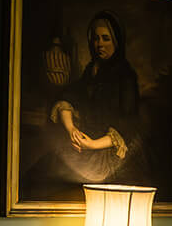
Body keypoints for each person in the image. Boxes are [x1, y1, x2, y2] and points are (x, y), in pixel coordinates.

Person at [47, 11, 143, 184]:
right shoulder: (91, 69)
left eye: (106, 38)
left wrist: (91, 144)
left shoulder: (126, 75)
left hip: (107, 149)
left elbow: (128, 125)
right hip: (85, 142)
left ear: (116, 41)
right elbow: (70, 97)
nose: (99, 44)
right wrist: (72, 131)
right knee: (50, 169)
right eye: (96, 38)